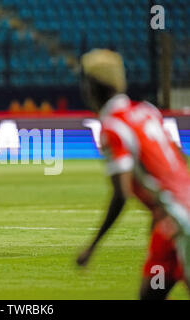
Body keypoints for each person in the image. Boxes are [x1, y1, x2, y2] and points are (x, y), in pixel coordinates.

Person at [76, 49, 190, 299]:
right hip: (169, 223)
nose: (83, 89)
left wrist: (92, 247)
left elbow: (121, 194)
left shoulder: (114, 126)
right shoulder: (147, 110)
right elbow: (179, 162)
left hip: (183, 223)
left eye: (86, 82)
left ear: (97, 86)